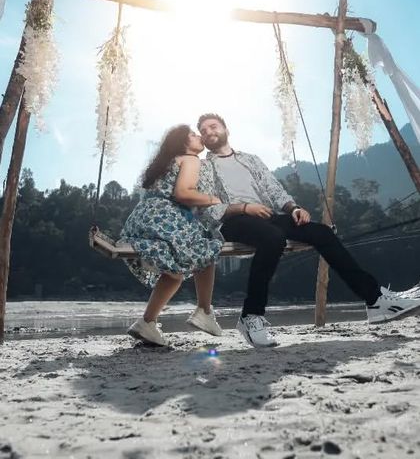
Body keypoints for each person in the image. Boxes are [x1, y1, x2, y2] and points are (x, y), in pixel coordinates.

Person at [196, 113, 420, 348]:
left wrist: (294, 208)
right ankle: (251, 316)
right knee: (274, 238)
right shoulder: (204, 167)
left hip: (267, 216)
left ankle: (375, 300)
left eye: (213, 126)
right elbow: (206, 207)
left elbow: (275, 190)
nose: (209, 132)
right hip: (234, 220)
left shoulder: (250, 160)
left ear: (226, 129)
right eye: (203, 130)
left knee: (322, 233)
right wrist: (243, 207)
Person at [120, 124, 224, 346]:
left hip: (142, 220)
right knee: (208, 245)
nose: (199, 137)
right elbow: (183, 193)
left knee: (174, 273)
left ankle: (147, 323)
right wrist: (214, 200)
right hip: (166, 219)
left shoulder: (167, 163)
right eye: (194, 135)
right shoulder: (191, 159)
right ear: (184, 142)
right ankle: (204, 310)